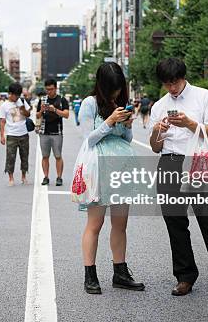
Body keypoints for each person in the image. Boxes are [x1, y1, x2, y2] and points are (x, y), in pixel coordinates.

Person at [148, 57, 208, 301]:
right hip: (169, 163)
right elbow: (155, 147)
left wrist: (190, 124)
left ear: (183, 77)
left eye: (175, 82)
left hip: (198, 161)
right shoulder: (159, 105)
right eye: (167, 84)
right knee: (175, 224)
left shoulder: (204, 96)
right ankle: (185, 276)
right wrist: (160, 131)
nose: (172, 88)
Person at [78, 62, 144, 295]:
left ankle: (120, 272)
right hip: (99, 168)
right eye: (112, 88)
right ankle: (90, 275)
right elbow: (88, 139)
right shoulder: (89, 104)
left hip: (122, 168)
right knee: (95, 223)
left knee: (120, 224)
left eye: (119, 88)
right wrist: (109, 122)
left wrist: (126, 125)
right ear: (103, 85)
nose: (116, 93)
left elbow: (125, 139)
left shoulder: (120, 104)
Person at [36, 79, 70, 186]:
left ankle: (59, 177)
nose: (49, 91)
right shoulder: (42, 100)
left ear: (55, 88)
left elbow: (66, 114)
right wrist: (41, 110)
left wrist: (54, 110)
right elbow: (37, 116)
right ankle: (46, 177)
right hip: (44, 132)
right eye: (47, 89)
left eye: (51, 89)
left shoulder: (62, 100)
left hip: (57, 132)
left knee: (58, 156)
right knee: (45, 156)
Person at [0, 82, 31, 186]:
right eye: (15, 95)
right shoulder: (4, 105)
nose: (17, 97)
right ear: (10, 94)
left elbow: (28, 114)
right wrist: (2, 135)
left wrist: (22, 108)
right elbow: (2, 121)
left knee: (24, 156)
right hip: (12, 135)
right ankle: (11, 178)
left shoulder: (22, 101)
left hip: (24, 133)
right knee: (10, 157)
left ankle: (23, 176)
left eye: (18, 95)